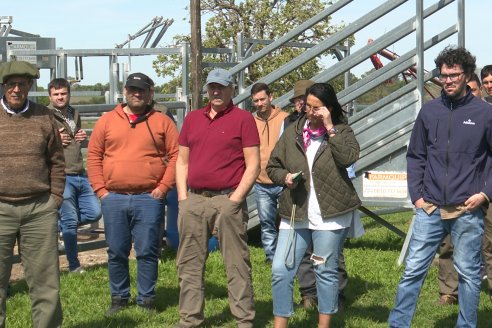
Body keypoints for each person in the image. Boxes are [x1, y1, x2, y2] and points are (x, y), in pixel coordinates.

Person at [388, 46, 492, 328]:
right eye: (444, 75)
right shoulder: (428, 112)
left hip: (466, 209)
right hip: (430, 207)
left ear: (467, 75)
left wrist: (484, 193)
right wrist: (417, 196)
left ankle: (466, 325)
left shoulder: (485, 113)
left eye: (454, 75)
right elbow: (416, 156)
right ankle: (398, 325)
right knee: (412, 271)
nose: (448, 81)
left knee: (469, 273)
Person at [267, 82, 361, 328]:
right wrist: (284, 177)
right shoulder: (292, 132)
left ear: (328, 108)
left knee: (325, 271)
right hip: (295, 211)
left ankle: (324, 324)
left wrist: (330, 127)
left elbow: (348, 158)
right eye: (307, 106)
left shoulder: (342, 131)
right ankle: (280, 324)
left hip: (329, 216)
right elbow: (273, 165)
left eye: (316, 107)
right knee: (280, 270)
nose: (310, 112)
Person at [87, 72, 179, 314]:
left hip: (149, 197)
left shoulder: (162, 121)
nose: (136, 94)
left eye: (142, 90)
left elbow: (177, 156)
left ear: (151, 94)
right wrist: (100, 190)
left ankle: (147, 299)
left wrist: (163, 188)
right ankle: (119, 298)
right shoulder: (107, 121)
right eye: (132, 89)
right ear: (125, 91)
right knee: (116, 250)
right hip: (113, 197)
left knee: (148, 250)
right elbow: (94, 155)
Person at [175, 68, 260, 328]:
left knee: (236, 264)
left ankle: (244, 320)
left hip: (227, 199)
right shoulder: (192, 119)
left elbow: (253, 164)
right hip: (194, 200)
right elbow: (181, 160)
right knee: (188, 264)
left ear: (231, 89)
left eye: (221, 87)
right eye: (212, 87)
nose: (216, 92)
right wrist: (183, 198)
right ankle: (189, 319)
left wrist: (235, 200)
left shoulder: (243, 119)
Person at [0, 61, 65, 328]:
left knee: (45, 282)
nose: (17, 89)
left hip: (39, 210)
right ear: (4, 86)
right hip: (0, 209)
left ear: (29, 86)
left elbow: (57, 161)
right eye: (11, 84)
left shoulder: (44, 116)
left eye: (22, 84)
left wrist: (55, 198)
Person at [435, 72, 490, 306]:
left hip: (485, 190)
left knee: (489, 242)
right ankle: (449, 291)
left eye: (474, 89)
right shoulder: (447, 116)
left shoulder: (485, 115)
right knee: (448, 242)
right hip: (458, 192)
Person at [47, 78, 102, 274]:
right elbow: (42, 141)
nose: (60, 97)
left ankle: (54, 226)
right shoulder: (46, 115)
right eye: (56, 94)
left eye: (63, 93)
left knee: (95, 212)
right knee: (70, 221)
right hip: (62, 174)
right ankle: (73, 265)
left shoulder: (74, 113)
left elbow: (73, 139)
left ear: (69, 94)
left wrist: (81, 136)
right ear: (50, 96)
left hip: (80, 172)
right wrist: (54, 139)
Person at [251, 82, 288, 263]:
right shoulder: (250, 121)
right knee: (267, 223)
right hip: (261, 182)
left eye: (262, 99)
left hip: (283, 180)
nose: (259, 103)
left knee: (288, 222)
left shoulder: (285, 119)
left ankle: (288, 254)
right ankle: (271, 256)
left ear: (271, 97)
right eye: (256, 101)